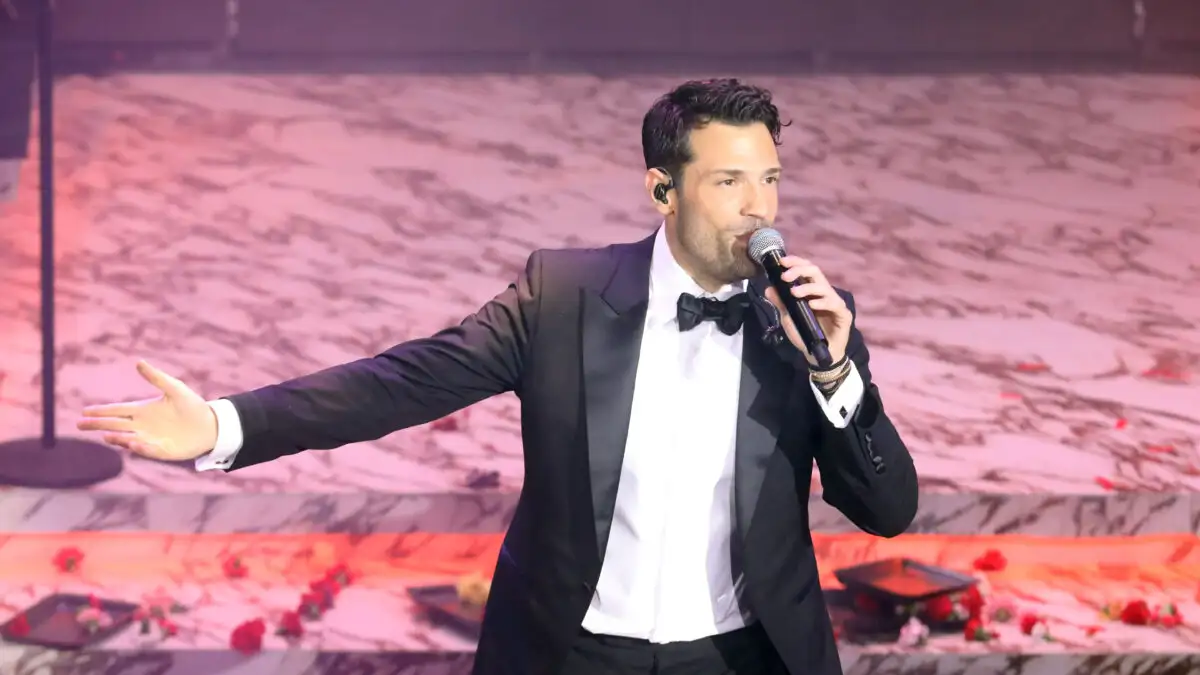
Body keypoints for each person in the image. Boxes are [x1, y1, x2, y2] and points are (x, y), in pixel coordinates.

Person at [78, 78, 918, 675]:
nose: (759, 208)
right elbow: (403, 381)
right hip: (574, 652)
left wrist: (835, 371)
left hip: (744, 656)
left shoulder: (806, 324)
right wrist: (225, 423)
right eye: (729, 182)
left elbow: (888, 510)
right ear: (662, 189)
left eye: (769, 179)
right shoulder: (564, 297)